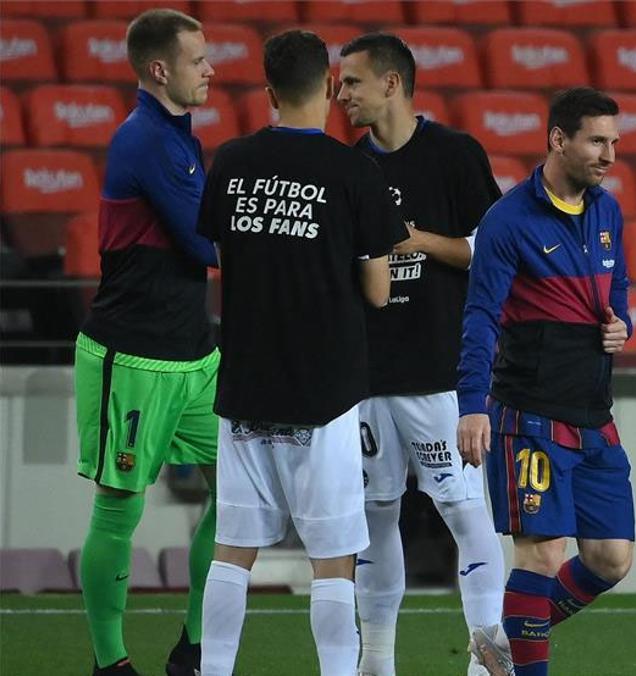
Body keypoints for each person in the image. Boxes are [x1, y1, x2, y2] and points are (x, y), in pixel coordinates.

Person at [194, 29, 402, 676]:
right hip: (325, 389)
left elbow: (223, 261)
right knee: (332, 557)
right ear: (333, 89)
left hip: (247, 383)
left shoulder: (228, 160)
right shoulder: (353, 171)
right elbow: (377, 291)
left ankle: (215, 670)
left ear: (268, 91)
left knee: (233, 549)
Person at [336, 32, 506, 676]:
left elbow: (489, 250)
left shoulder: (455, 154)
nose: (342, 94)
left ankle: (487, 658)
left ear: (391, 83)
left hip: (440, 369)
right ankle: (376, 660)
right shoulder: (350, 165)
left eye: (352, 81)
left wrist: (411, 240)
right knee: (375, 513)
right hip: (369, 372)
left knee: (464, 510)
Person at [457, 87, 635, 676]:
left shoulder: (607, 210)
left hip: (593, 412)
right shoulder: (508, 220)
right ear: (558, 138)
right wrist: (472, 405)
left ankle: (504, 646)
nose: (610, 154)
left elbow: (619, 292)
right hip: (529, 412)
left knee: (611, 559)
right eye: (597, 141)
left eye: (614, 141)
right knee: (541, 553)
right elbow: (480, 316)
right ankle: (523, 661)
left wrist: (621, 326)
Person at [73, 8, 217, 675]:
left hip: (195, 355)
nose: (211, 69)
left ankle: (193, 647)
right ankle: (112, 663)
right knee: (119, 511)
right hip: (133, 357)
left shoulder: (178, 136)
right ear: (160, 69)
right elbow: (202, 243)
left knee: (244, 493)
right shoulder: (147, 140)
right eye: (198, 59)